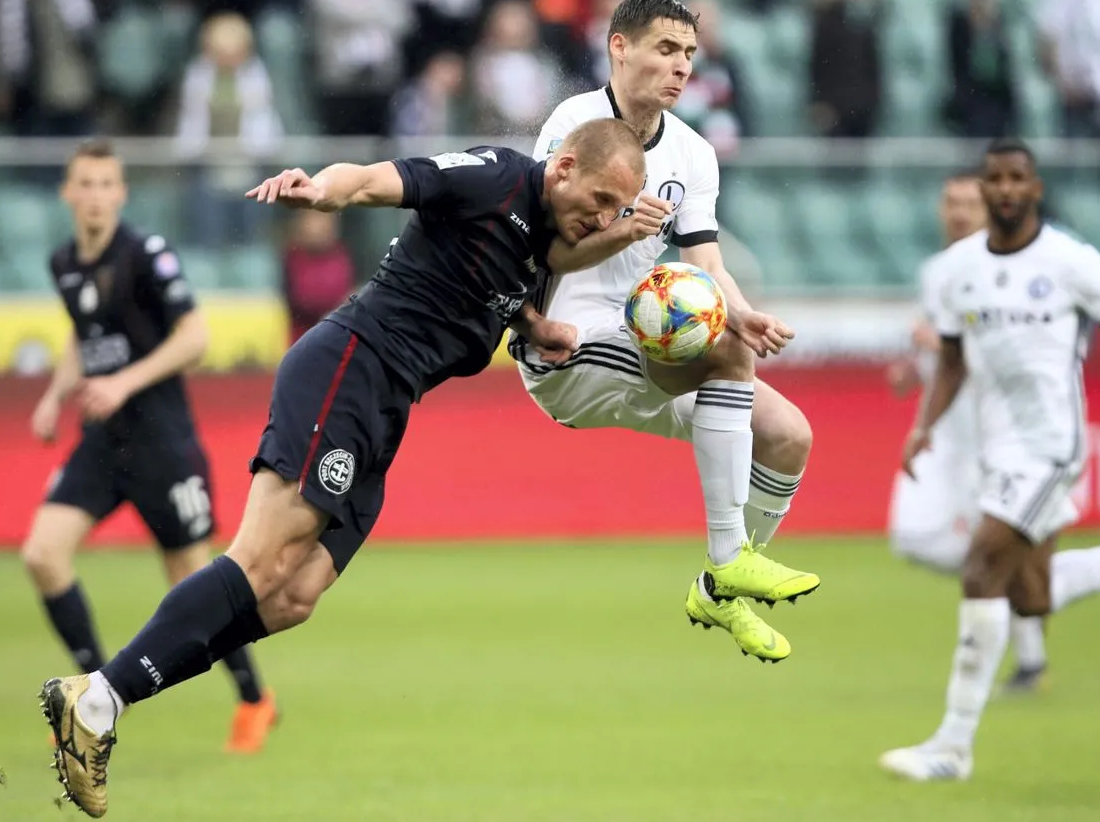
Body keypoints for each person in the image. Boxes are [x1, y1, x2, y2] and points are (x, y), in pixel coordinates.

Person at [38, 117, 649, 819]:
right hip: (350, 366)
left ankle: (105, 694)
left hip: (386, 407)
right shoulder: (495, 176)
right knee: (261, 560)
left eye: (616, 212)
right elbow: (382, 179)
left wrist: (536, 327)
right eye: (601, 201)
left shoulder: (539, 238)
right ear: (565, 166)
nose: (602, 219)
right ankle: (102, 698)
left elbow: (499, 288)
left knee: (293, 596)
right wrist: (321, 190)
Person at [879, 138, 1100, 782]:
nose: (1005, 189)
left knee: (981, 566)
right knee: (1027, 596)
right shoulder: (957, 271)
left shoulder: (1070, 261)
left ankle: (952, 747)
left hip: (1052, 445)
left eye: (1017, 179)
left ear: (1034, 190)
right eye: (994, 179)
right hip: (994, 444)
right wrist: (925, 426)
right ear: (985, 190)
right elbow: (951, 360)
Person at [511, 0, 815, 665]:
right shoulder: (575, 124)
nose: (681, 67)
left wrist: (739, 310)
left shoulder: (693, 153)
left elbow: (707, 262)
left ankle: (720, 588)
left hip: (641, 336)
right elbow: (546, 248)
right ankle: (729, 553)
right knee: (728, 353)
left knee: (789, 436)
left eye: (688, 54)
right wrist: (625, 231)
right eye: (665, 50)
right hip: (565, 346)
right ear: (619, 47)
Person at [23, 138, 277, 756]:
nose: (95, 195)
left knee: (192, 587)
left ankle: (254, 698)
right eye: (84, 183)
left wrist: (123, 383)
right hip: (103, 444)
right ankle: (93, 691)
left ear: (122, 194)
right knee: (42, 554)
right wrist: (56, 396)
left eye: (107, 184)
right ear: (68, 192)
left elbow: (195, 337)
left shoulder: (146, 255)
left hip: (162, 443)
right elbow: (85, 338)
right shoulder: (65, 262)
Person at [886, 172, 1051, 693]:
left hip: (993, 432)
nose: (957, 212)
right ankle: (1024, 581)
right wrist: (915, 366)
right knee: (912, 537)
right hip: (944, 433)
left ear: (988, 210)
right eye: (950, 201)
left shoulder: (1004, 271)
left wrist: (941, 349)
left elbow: (1014, 352)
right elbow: (938, 338)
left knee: (992, 548)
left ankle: (1030, 660)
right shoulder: (937, 270)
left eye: (967, 203)